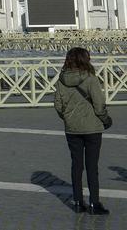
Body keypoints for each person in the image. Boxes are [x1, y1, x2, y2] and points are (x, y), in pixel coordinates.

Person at [54, 47, 112, 215]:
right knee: (92, 166)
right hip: (92, 128)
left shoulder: (61, 79)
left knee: (76, 165)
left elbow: (58, 104)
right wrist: (106, 120)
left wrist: (67, 118)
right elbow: (99, 105)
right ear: (86, 59)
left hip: (72, 129)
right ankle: (94, 203)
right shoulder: (90, 79)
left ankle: (78, 202)